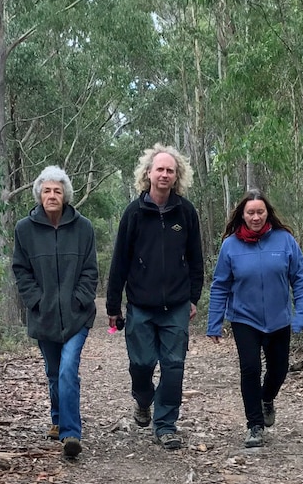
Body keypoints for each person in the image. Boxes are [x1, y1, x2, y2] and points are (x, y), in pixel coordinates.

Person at [106, 144, 204, 450]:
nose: (164, 174)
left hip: (175, 304)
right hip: (140, 305)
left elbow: (196, 259)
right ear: (148, 174)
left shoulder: (185, 213)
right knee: (142, 363)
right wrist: (112, 305)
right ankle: (143, 399)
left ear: (176, 177)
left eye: (169, 170)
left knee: (174, 365)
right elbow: (119, 261)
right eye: (159, 169)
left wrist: (193, 298)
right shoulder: (133, 213)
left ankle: (166, 425)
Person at [206, 189, 303, 448]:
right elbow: (220, 285)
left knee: (279, 369)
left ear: (268, 213)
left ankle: (267, 399)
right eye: (250, 212)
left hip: (279, 319)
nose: (255, 217)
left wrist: (302, 314)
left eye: (260, 212)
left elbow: (300, 278)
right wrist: (214, 322)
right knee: (250, 369)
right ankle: (254, 425)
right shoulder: (230, 245)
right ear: (242, 214)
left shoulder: (284, 240)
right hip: (245, 318)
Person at [12, 165, 98, 459]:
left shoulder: (83, 227)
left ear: (66, 196)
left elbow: (90, 270)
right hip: (43, 315)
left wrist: (79, 299)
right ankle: (58, 417)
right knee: (53, 372)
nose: (52, 195)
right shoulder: (24, 229)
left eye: (57, 191)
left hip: (77, 316)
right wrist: (36, 300)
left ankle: (70, 433)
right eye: (47, 190)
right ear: (39, 194)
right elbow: (20, 270)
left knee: (67, 370)